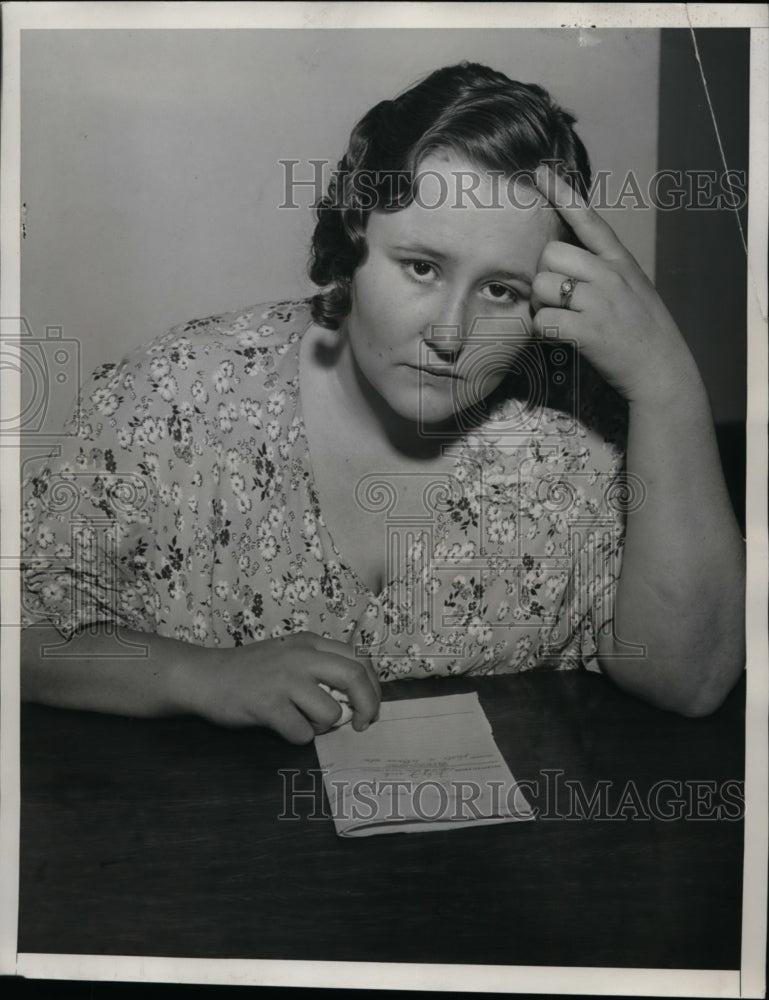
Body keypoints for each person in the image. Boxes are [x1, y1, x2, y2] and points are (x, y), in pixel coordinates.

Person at [20, 62, 745, 744]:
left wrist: (667, 381)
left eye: (502, 290)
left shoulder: (579, 439)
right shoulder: (177, 391)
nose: (451, 333)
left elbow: (691, 680)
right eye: (422, 267)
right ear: (354, 236)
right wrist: (199, 675)